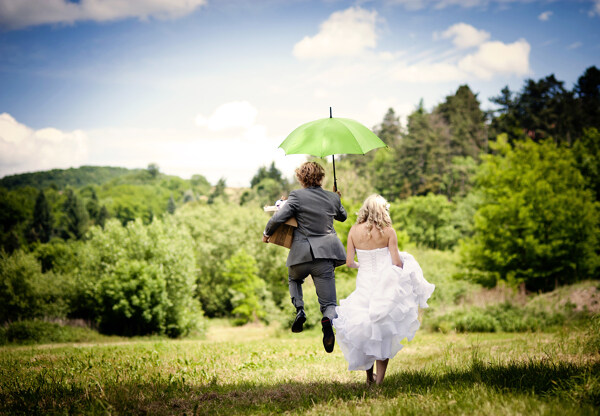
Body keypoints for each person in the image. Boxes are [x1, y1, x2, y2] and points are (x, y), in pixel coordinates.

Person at [332, 194, 435, 385]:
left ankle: (368, 378)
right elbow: (396, 263)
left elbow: (348, 262)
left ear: (364, 209)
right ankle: (379, 382)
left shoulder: (354, 231)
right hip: (384, 284)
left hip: (364, 283)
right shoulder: (389, 232)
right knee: (383, 330)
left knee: (365, 327)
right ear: (383, 210)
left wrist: (360, 264)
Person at [263, 161, 347, 353]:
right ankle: (327, 320)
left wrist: (267, 233)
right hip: (325, 255)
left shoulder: (296, 196)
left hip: (300, 255)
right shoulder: (332, 198)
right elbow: (343, 217)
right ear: (321, 177)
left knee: (294, 278)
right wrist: (337, 198)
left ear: (301, 178)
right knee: (329, 304)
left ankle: (300, 309)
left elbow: (278, 218)